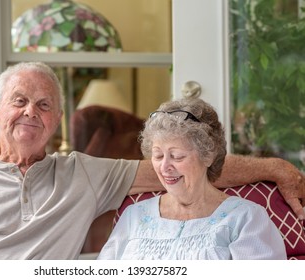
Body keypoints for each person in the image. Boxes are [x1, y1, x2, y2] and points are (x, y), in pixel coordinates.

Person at [0, 62, 303, 260]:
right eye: (20, 100)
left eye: (44, 104)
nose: (31, 111)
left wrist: (274, 168)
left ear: (57, 119)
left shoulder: (82, 172)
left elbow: (188, 165)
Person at [97, 98, 287, 260]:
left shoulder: (246, 219)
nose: (165, 167)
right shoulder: (134, 216)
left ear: (208, 155)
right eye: (158, 156)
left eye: (177, 156)